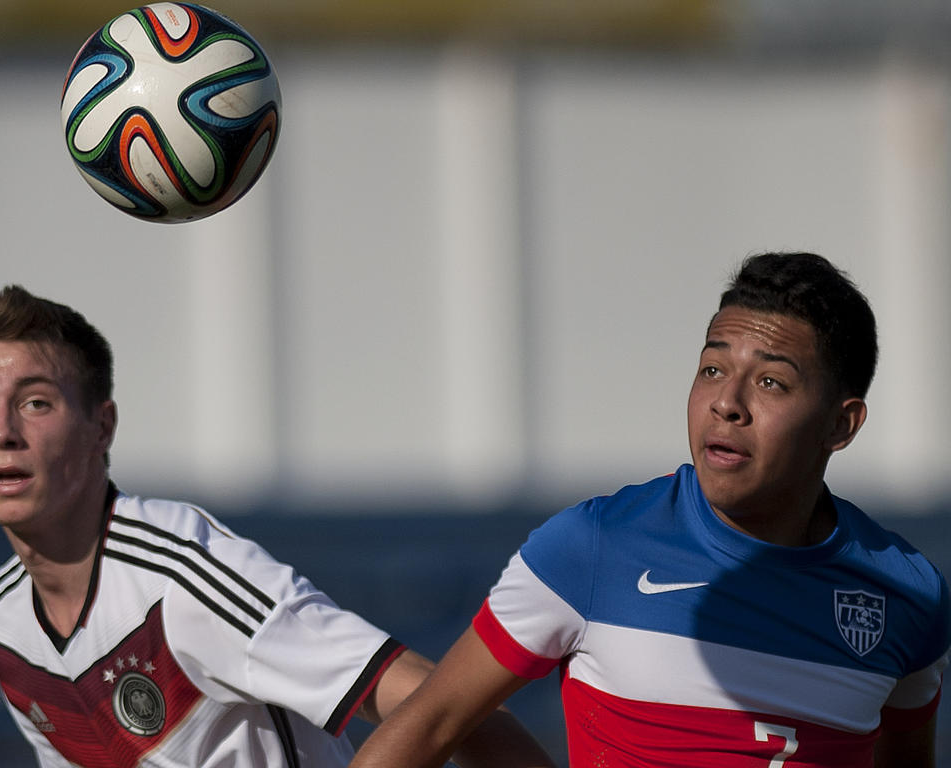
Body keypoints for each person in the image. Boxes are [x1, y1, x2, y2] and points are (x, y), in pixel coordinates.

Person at [349, 252, 951, 768]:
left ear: (841, 425)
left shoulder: (908, 594)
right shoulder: (591, 545)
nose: (726, 403)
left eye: (771, 383)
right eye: (712, 369)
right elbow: (431, 725)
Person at [0, 285, 555, 768]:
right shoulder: (2, 621)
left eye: (36, 402)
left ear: (102, 427)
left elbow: (448, 706)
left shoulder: (183, 574)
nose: (2, 432)